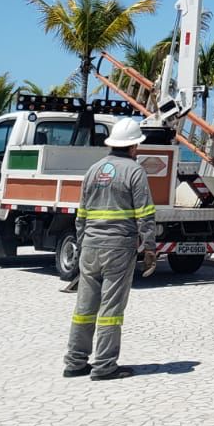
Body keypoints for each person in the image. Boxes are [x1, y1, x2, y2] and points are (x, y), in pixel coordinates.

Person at [62, 118, 157, 381]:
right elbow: (145, 214)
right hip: (118, 247)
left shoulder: (93, 170)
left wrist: (81, 245)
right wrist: (149, 248)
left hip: (90, 245)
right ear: (134, 146)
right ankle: (104, 366)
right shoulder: (134, 171)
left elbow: (81, 214)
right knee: (111, 310)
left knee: (84, 307)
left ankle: (75, 361)